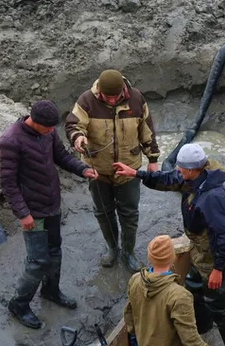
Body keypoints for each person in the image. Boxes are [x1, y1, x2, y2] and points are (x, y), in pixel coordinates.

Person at [114, 143, 225, 346]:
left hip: (224, 262)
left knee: (222, 311)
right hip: (201, 253)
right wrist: (136, 173)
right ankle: (203, 330)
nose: (179, 173)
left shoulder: (213, 196)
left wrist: (218, 270)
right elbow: (166, 179)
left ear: (194, 169)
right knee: (195, 291)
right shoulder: (192, 178)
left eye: (182, 169)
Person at [0, 100, 98, 329]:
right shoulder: (10, 142)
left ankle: (51, 290)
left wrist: (83, 169)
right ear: (35, 122)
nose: (53, 131)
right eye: (49, 128)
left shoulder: (48, 133)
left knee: (55, 251)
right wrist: (23, 214)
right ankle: (19, 304)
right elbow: (8, 184)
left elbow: (61, 157)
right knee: (37, 261)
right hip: (34, 212)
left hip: (52, 204)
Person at [64, 69, 161, 269]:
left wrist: (152, 158)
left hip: (128, 168)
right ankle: (112, 249)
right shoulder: (86, 101)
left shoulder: (136, 99)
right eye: (106, 96)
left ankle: (128, 252)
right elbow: (73, 125)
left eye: (114, 96)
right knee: (103, 212)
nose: (110, 100)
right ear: (99, 90)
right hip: (97, 170)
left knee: (129, 213)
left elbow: (147, 129)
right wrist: (78, 137)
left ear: (122, 90)